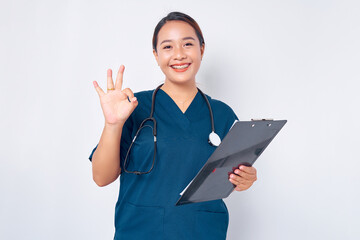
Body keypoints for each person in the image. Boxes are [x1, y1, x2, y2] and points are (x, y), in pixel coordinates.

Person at [89, 11, 257, 240]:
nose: (179, 54)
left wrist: (245, 178)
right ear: (156, 55)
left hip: (202, 232)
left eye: (187, 44)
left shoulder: (222, 114)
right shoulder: (132, 107)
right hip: (139, 232)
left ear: (202, 49)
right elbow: (101, 177)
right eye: (167, 47)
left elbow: (234, 174)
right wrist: (112, 124)